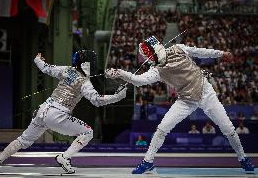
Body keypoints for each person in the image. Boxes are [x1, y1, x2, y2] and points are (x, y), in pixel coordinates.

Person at [105, 36, 255, 173]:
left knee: (228, 128)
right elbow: (139, 80)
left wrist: (220, 53)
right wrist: (120, 73)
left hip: (205, 93)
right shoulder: (157, 70)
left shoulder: (178, 48)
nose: (148, 59)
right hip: (186, 100)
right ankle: (147, 162)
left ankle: (243, 158)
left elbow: (200, 52)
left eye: (148, 55)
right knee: (162, 129)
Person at [0, 50, 127, 174]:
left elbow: (45, 68)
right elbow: (97, 100)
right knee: (88, 132)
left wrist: (37, 59)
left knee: (23, 140)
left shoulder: (66, 70)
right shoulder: (85, 82)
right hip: (57, 115)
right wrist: (117, 97)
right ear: (88, 63)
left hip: (42, 110)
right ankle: (64, 157)